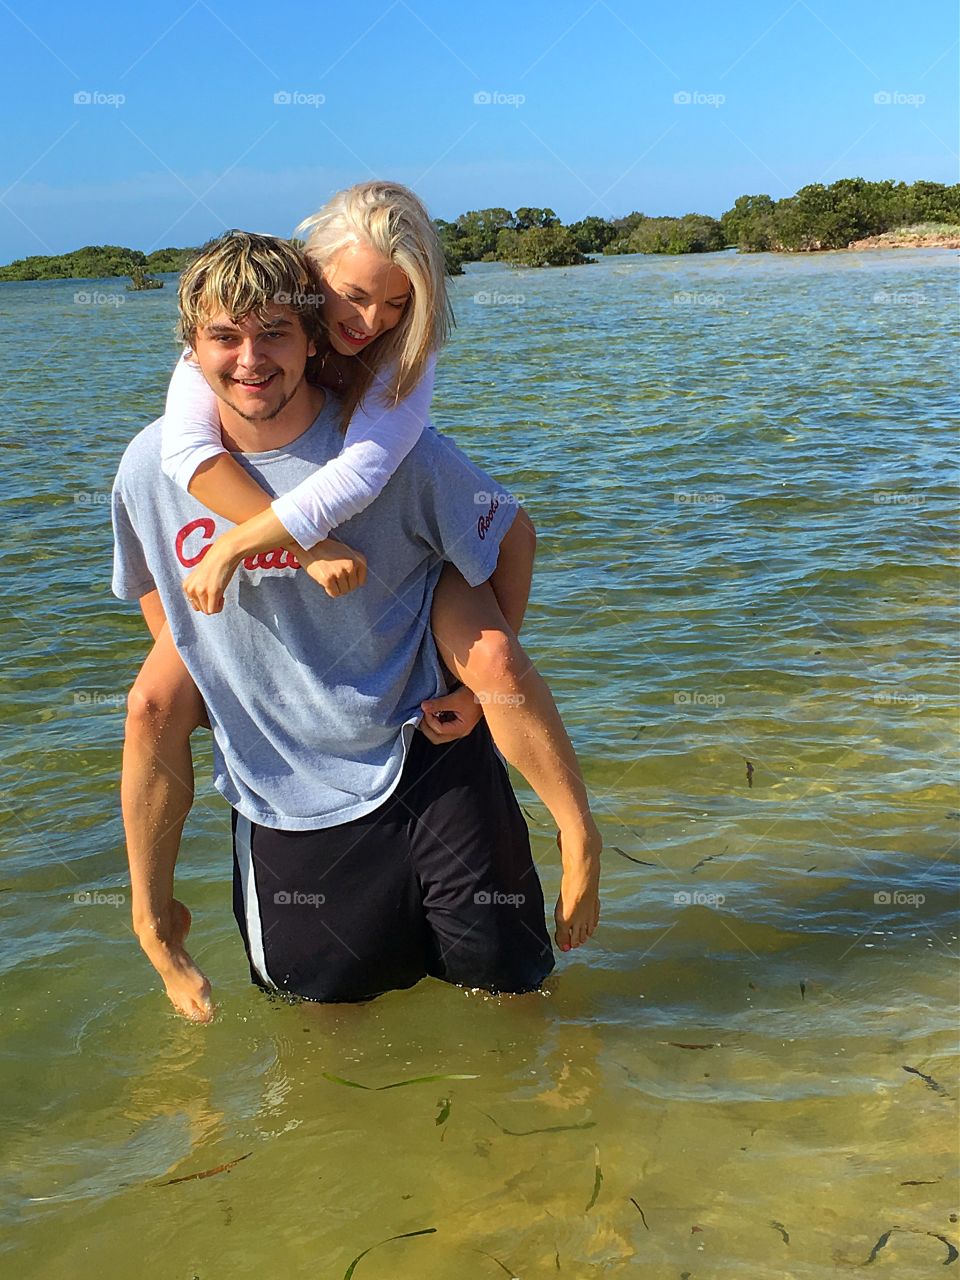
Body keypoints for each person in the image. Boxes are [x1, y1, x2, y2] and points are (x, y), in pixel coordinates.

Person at [122, 183, 601, 1021]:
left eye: (274, 333)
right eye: (224, 338)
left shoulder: (395, 445)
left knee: (515, 1005)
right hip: (285, 795)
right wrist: (219, 682)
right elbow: (158, 600)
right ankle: (153, 925)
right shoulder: (154, 464)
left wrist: (474, 684)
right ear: (189, 349)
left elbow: (509, 530)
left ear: (309, 341)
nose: (250, 359)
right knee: (329, 1036)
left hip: (431, 759)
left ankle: (580, 840)